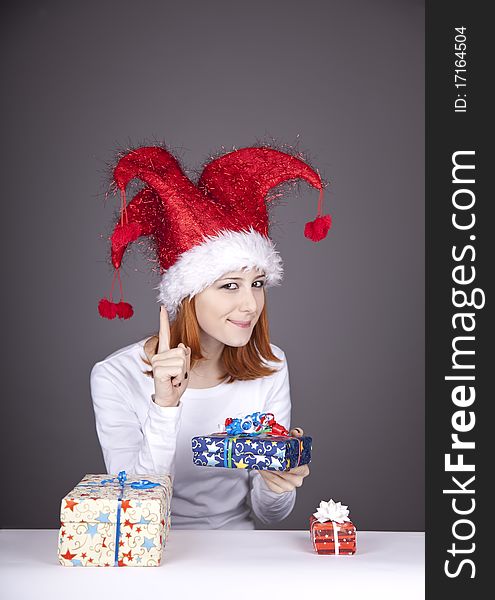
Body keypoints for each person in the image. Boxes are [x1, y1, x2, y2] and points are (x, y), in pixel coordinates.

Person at [90, 143, 332, 529]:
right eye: (229, 286)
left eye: (257, 283)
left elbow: (271, 515)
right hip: (155, 553)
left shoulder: (271, 365)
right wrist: (164, 404)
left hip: (240, 555)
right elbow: (135, 507)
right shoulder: (115, 376)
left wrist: (278, 485)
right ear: (187, 293)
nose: (252, 305)